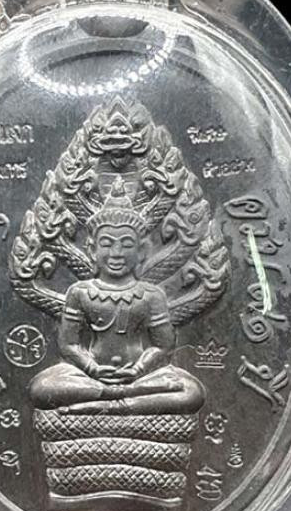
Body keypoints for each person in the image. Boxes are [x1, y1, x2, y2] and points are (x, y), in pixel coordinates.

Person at [30, 176, 205, 416]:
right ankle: (117, 397)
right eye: (106, 243)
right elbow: (68, 344)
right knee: (41, 388)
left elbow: (163, 345)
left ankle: (110, 401)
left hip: (141, 376)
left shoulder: (151, 295)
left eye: (126, 244)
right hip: (90, 377)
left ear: (142, 251)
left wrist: (138, 370)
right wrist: (92, 369)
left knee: (192, 392)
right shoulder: (80, 292)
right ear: (92, 249)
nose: (116, 253)